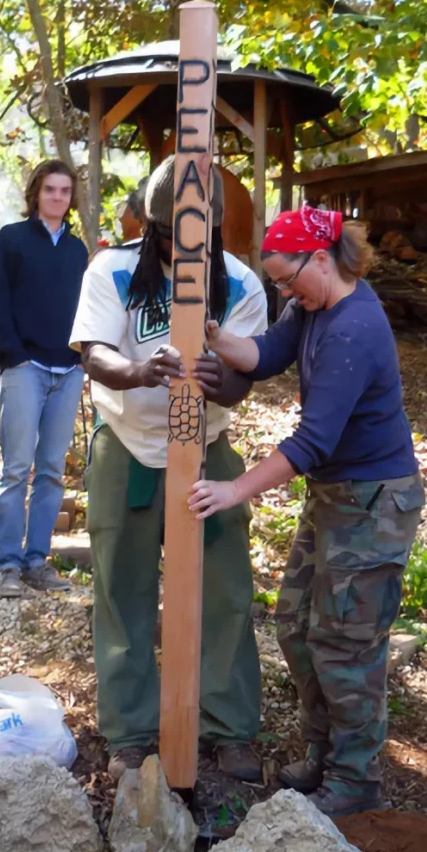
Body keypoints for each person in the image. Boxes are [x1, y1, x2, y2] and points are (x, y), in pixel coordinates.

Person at [190, 204, 425, 819]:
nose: (283, 292)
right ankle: (326, 750)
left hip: (373, 501)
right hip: (333, 496)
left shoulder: (355, 328)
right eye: (277, 285)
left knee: (345, 642)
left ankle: (357, 777)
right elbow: (265, 355)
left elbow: (311, 442)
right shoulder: (312, 306)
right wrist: (212, 336)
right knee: (297, 626)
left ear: (321, 259)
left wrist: (234, 490)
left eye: (287, 280)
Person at [70, 157, 268, 783]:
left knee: (225, 590)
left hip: (206, 452)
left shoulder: (239, 282)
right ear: (148, 229)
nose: (182, 254)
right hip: (126, 448)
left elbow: (245, 377)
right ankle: (130, 730)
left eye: (197, 243)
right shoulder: (114, 268)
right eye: (167, 239)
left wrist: (222, 382)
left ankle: (228, 726)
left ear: (213, 233)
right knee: (121, 592)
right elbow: (94, 351)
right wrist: (138, 370)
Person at [0, 160, 88, 599]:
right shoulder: (12, 240)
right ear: (36, 194)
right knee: (16, 469)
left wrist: (83, 360)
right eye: (50, 190)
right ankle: (7, 565)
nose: (58, 197)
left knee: (52, 472)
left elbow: (87, 309)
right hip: (25, 369)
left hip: (68, 371)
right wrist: (14, 356)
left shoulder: (79, 251)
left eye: (64, 191)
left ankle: (37, 561)